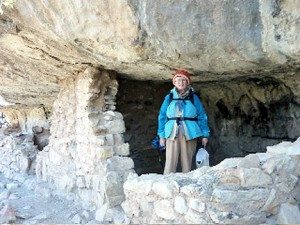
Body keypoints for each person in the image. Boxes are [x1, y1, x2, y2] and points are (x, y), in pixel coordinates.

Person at [157, 69, 210, 174]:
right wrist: (161, 135)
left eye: (183, 80)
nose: (180, 82)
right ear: (174, 83)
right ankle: (167, 183)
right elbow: (162, 116)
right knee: (170, 161)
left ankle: (188, 182)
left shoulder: (193, 97)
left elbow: (201, 116)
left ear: (187, 82)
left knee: (187, 161)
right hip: (171, 132)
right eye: (178, 80)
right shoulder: (169, 97)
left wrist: (205, 134)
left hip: (189, 132)